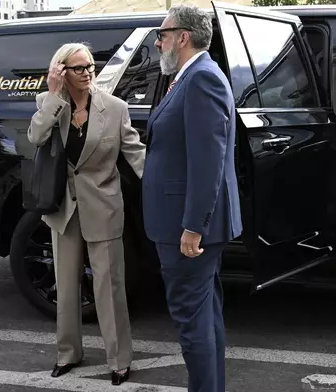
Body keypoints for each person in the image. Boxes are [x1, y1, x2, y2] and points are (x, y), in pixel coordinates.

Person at [27, 42, 145, 386]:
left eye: (90, 65)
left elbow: (136, 154)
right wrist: (52, 95)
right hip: (63, 208)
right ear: (61, 71)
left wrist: (166, 188)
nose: (87, 72)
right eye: (78, 68)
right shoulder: (50, 104)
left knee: (109, 288)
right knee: (65, 287)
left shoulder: (115, 107)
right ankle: (68, 353)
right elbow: (35, 137)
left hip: (104, 208)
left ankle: (120, 359)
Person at [141, 5, 242, 392]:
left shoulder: (201, 78)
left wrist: (192, 227)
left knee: (191, 319)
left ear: (183, 37)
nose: (158, 41)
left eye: (162, 35)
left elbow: (208, 161)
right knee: (204, 315)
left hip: (186, 227)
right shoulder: (191, 76)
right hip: (185, 222)